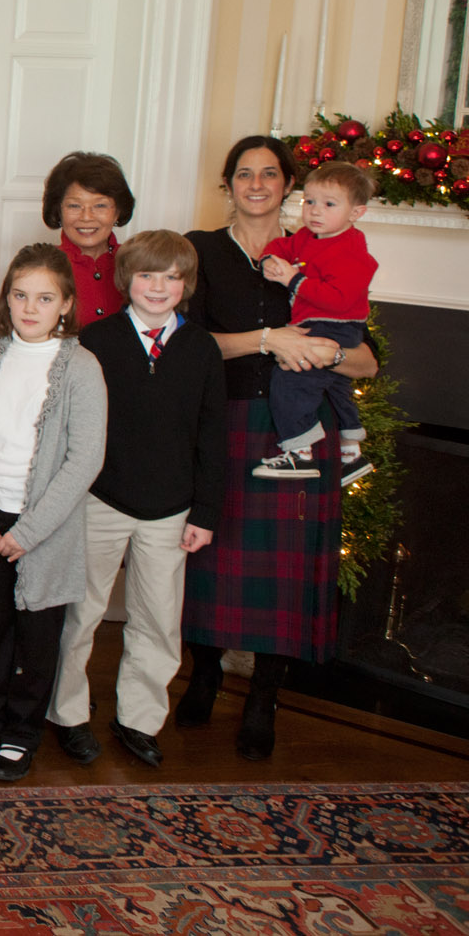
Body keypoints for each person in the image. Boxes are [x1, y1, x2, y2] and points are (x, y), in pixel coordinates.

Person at [179, 136, 377, 761]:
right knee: (212, 552)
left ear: (289, 184)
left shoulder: (325, 248)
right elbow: (190, 343)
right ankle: (205, 673)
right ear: (228, 183)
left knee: (285, 573)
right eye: (244, 173)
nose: (257, 183)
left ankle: (265, 695)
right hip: (226, 420)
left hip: (301, 428)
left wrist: (325, 352)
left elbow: (366, 361)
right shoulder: (203, 250)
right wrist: (271, 338)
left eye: (270, 174)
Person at [50, 231, 225, 771]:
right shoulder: (95, 342)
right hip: (100, 499)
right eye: (148, 275)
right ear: (127, 280)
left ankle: (139, 718)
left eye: (171, 277)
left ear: (185, 285)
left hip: (171, 509)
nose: (158, 286)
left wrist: (205, 513)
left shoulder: (201, 347)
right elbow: (70, 429)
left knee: (157, 619)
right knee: (80, 613)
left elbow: (212, 434)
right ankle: (68, 713)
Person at [0, 244, 107, 782]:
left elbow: (85, 458)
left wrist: (32, 530)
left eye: (44, 298)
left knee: (38, 634)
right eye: (20, 295)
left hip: (45, 526)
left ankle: (23, 727)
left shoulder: (81, 367)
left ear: (65, 304)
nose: (30, 307)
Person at [253, 161, 377, 481]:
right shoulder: (308, 237)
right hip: (322, 322)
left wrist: (294, 280)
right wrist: (269, 257)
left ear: (356, 213)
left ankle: (299, 451)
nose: (315, 211)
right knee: (335, 384)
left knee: (291, 378)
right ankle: (350, 452)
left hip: (337, 324)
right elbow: (283, 244)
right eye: (309, 201)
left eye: (329, 204)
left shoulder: (353, 251)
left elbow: (338, 298)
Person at [43, 150, 136, 327]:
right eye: (74, 206)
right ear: (58, 210)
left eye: (100, 205)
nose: (86, 217)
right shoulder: (41, 266)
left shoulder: (137, 262)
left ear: (118, 212)